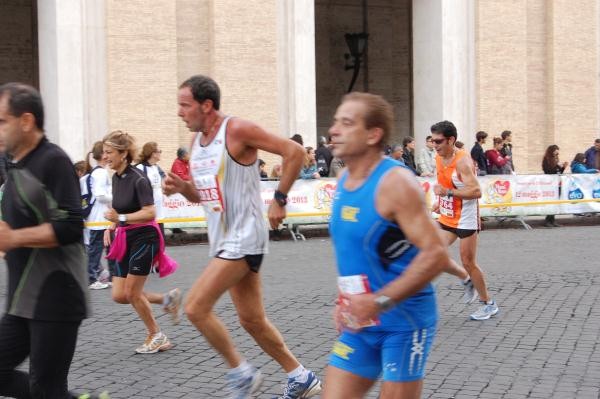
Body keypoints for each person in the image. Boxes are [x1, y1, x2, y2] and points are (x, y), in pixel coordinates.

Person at [164, 75, 322, 398]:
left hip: (246, 236)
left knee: (195, 307)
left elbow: (293, 152)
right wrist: (184, 189)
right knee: (252, 320)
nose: (179, 112)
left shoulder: (236, 130)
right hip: (222, 240)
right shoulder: (196, 144)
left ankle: (242, 373)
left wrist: (280, 199)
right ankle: (300, 375)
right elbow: (204, 196)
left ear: (206, 105)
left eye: (185, 105)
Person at [322, 92, 448, 399]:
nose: (334, 129)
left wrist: (379, 301)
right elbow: (356, 253)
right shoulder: (342, 180)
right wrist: (345, 299)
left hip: (404, 322)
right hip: (361, 322)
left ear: (372, 134)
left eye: (347, 123)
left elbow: (436, 254)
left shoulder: (396, 183)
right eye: (336, 120)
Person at [0, 82, 108, 398]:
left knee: (46, 388)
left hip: (56, 295)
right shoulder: (16, 164)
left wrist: (13, 237)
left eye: (2, 120)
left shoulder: (53, 161)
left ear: (26, 121)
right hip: (22, 299)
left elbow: (72, 226)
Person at [102, 131, 181, 354]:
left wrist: (121, 219)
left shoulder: (139, 178)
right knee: (120, 295)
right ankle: (167, 299)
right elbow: (121, 207)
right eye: (104, 152)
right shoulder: (116, 177)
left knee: (133, 293)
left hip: (145, 237)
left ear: (123, 153)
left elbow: (149, 212)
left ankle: (157, 335)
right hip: (125, 237)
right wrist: (113, 225)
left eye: (109, 152)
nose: (105, 156)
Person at [431, 120, 499, 321]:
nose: (435, 145)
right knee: (433, 253)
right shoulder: (438, 158)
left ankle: (488, 304)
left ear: (451, 140)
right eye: (433, 141)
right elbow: (445, 185)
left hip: (466, 219)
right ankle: (466, 280)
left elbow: (476, 191)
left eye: (439, 141)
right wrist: (440, 200)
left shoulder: (463, 161)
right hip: (447, 214)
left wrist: (448, 193)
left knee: (468, 262)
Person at [82, 141, 114, 290]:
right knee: (96, 248)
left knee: (102, 247)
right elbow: (100, 195)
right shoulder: (100, 173)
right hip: (99, 218)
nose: (109, 155)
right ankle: (93, 278)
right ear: (102, 155)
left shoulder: (97, 172)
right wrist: (116, 197)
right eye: (107, 152)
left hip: (100, 217)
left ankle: (104, 276)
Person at [136, 141, 166, 236]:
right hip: (148, 214)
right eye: (159, 151)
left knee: (161, 242)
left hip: (159, 212)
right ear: (153, 153)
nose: (160, 153)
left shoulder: (156, 167)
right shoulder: (140, 168)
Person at [542, 144, 568, 227]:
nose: (557, 153)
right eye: (555, 151)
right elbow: (548, 171)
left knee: (556, 202)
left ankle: (552, 220)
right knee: (551, 202)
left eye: (557, 151)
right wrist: (557, 166)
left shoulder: (556, 159)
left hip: (557, 183)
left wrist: (563, 167)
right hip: (550, 183)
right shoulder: (546, 159)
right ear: (551, 151)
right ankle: (547, 220)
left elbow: (559, 172)